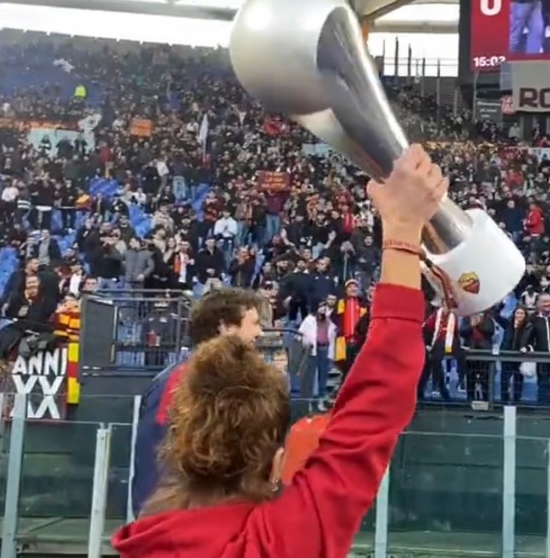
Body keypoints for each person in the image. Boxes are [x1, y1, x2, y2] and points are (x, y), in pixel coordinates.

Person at [112, 143, 447, 557]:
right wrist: (402, 226)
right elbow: (378, 400)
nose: (260, 334)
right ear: (275, 465)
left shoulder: (140, 541)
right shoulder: (280, 542)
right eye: (254, 324)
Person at [129, 287, 269, 518]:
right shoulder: (181, 380)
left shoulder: (239, 381)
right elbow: (155, 460)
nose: (260, 332)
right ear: (226, 326)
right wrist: (155, 525)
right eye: (253, 323)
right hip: (179, 531)